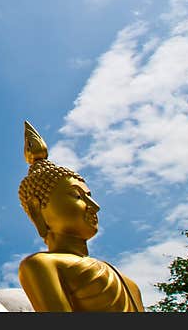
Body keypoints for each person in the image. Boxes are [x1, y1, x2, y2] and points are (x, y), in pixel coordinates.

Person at [17, 121, 144, 312]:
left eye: (89, 197)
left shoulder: (129, 284)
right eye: (77, 196)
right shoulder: (42, 265)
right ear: (37, 210)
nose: (94, 206)